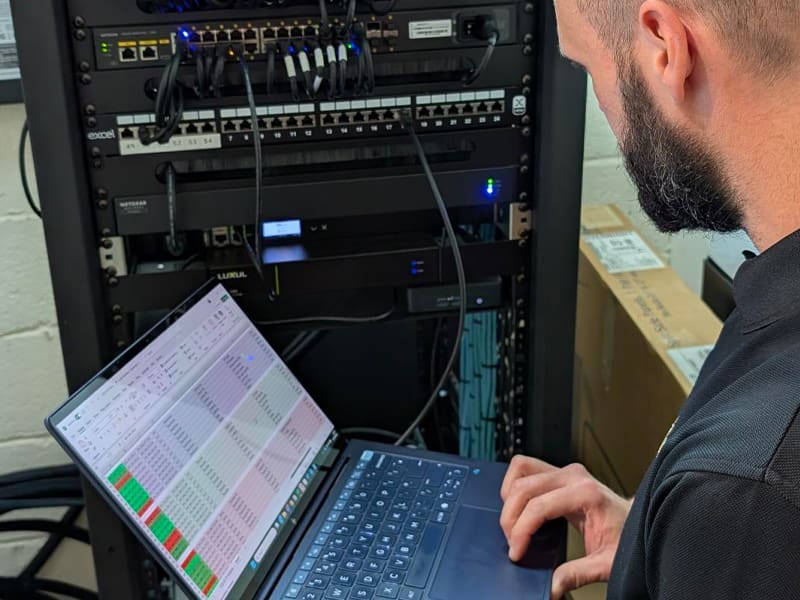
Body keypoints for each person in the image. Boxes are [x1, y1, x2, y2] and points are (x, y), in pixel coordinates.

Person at [500, 0, 800, 598]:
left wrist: (712, 541)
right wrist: (654, 536)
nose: (605, 108)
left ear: (667, 46)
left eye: (591, 71)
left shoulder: (746, 492)